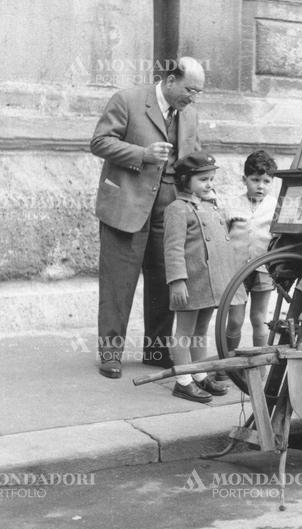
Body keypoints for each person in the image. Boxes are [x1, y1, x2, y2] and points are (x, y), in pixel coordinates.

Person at [90, 57, 205, 378]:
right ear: (170, 80)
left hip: (169, 211)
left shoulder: (190, 114)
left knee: (163, 281)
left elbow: (194, 157)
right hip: (125, 206)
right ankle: (110, 355)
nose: (192, 98)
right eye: (189, 90)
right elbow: (99, 142)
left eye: (198, 93)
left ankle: (156, 352)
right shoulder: (127, 100)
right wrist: (141, 154)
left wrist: (204, 189)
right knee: (118, 284)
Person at [163, 152, 247, 403]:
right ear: (185, 180)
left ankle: (198, 375)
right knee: (184, 331)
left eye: (211, 179)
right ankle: (183, 381)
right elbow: (173, 248)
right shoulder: (177, 209)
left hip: (210, 283)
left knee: (201, 329)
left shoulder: (209, 206)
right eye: (203, 180)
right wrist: (177, 280)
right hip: (191, 282)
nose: (210, 184)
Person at [224, 151, 278, 353]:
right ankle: (226, 365)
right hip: (237, 270)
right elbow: (223, 237)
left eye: (266, 181)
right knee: (235, 320)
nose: (260, 186)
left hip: (263, 270)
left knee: (259, 319)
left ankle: (259, 368)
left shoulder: (276, 207)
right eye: (255, 180)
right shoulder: (232, 205)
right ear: (244, 179)